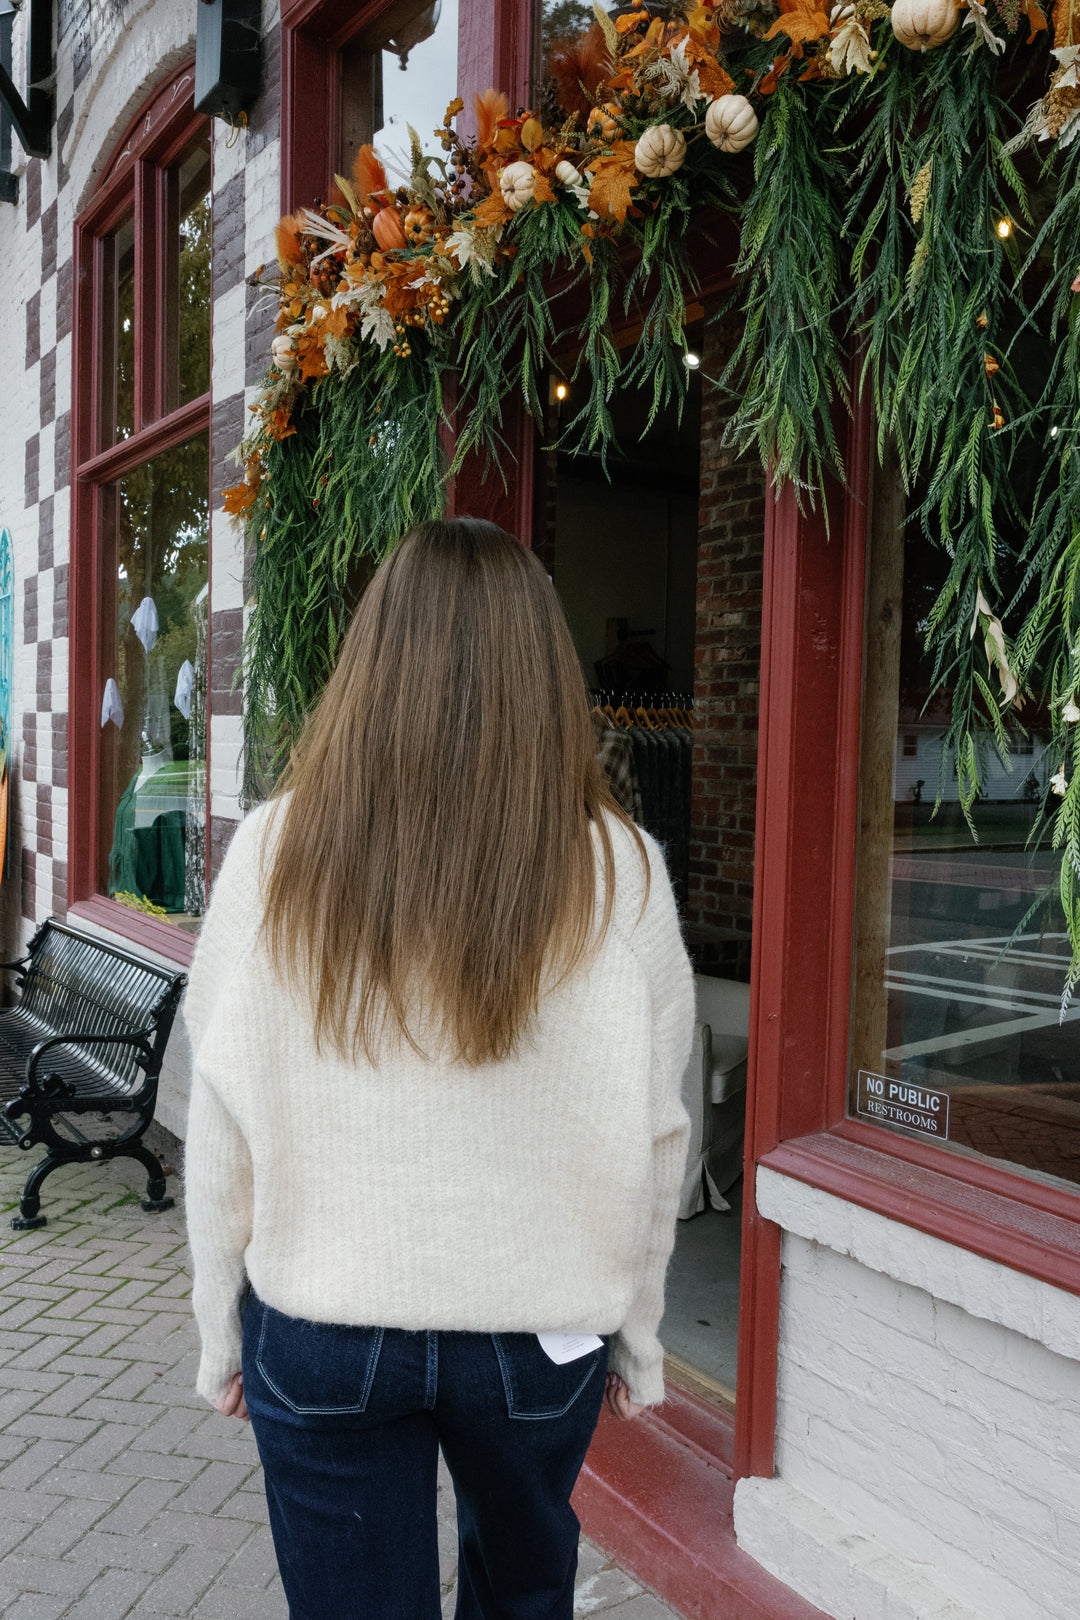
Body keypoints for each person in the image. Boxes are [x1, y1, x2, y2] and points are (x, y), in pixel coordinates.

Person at [184, 517, 694, 1619]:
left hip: (322, 1321)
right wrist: (640, 1337)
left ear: (373, 664)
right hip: (537, 1336)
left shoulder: (273, 855)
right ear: (543, 675)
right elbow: (660, 1136)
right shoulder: (625, 874)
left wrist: (220, 1319)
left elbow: (219, 1110)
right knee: (523, 1598)